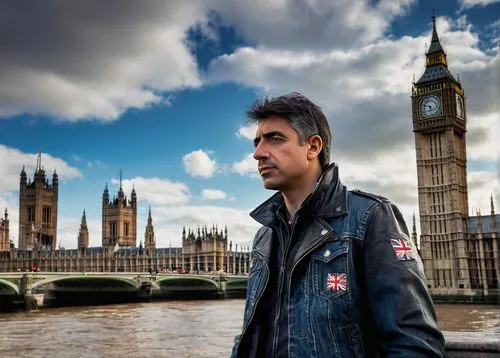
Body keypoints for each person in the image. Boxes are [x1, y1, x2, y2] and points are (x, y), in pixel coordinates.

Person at [230, 93, 445, 357]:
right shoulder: (265, 235)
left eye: (274, 139)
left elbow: (416, 343)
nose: (258, 153)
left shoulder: (370, 218)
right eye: (257, 142)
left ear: (313, 147)